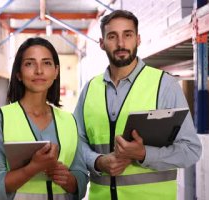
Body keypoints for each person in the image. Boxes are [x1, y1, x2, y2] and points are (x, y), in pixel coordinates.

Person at [73, 10, 202, 200]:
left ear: (138, 39)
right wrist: (98, 161)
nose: (121, 44)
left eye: (128, 35)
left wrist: (143, 153)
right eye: (112, 36)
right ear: (101, 43)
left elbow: (191, 150)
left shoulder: (164, 85)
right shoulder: (89, 89)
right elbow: (75, 144)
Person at [0, 37, 88, 200]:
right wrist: (32, 168)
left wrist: (69, 180)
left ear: (56, 71)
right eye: (29, 63)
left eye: (46, 63)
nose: (39, 70)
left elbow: (80, 177)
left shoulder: (69, 121)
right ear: (18, 73)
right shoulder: (2, 119)